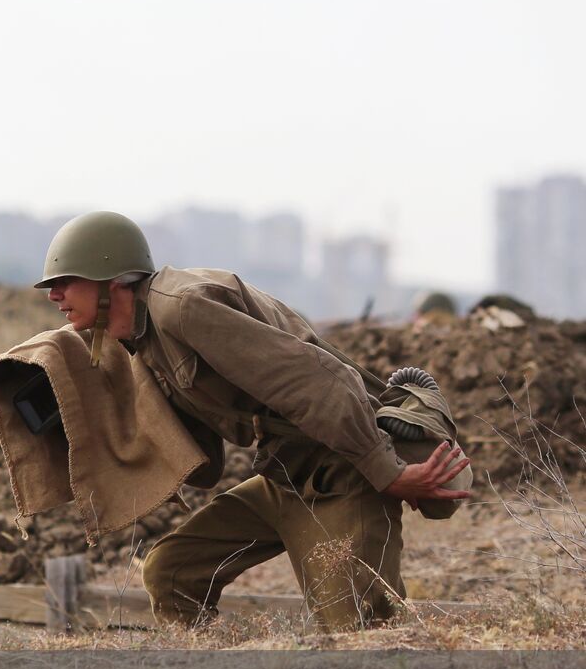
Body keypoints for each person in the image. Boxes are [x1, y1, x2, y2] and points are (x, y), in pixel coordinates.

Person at [34, 211, 471, 630]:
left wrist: (388, 475)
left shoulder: (183, 309)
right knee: (171, 572)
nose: (54, 296)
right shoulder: (142, 338)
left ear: (111, 281)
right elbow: (200, 452)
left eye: (64, 283)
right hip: (285, 473)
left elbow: (325, 383)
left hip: (343, 473)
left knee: (356, 632)